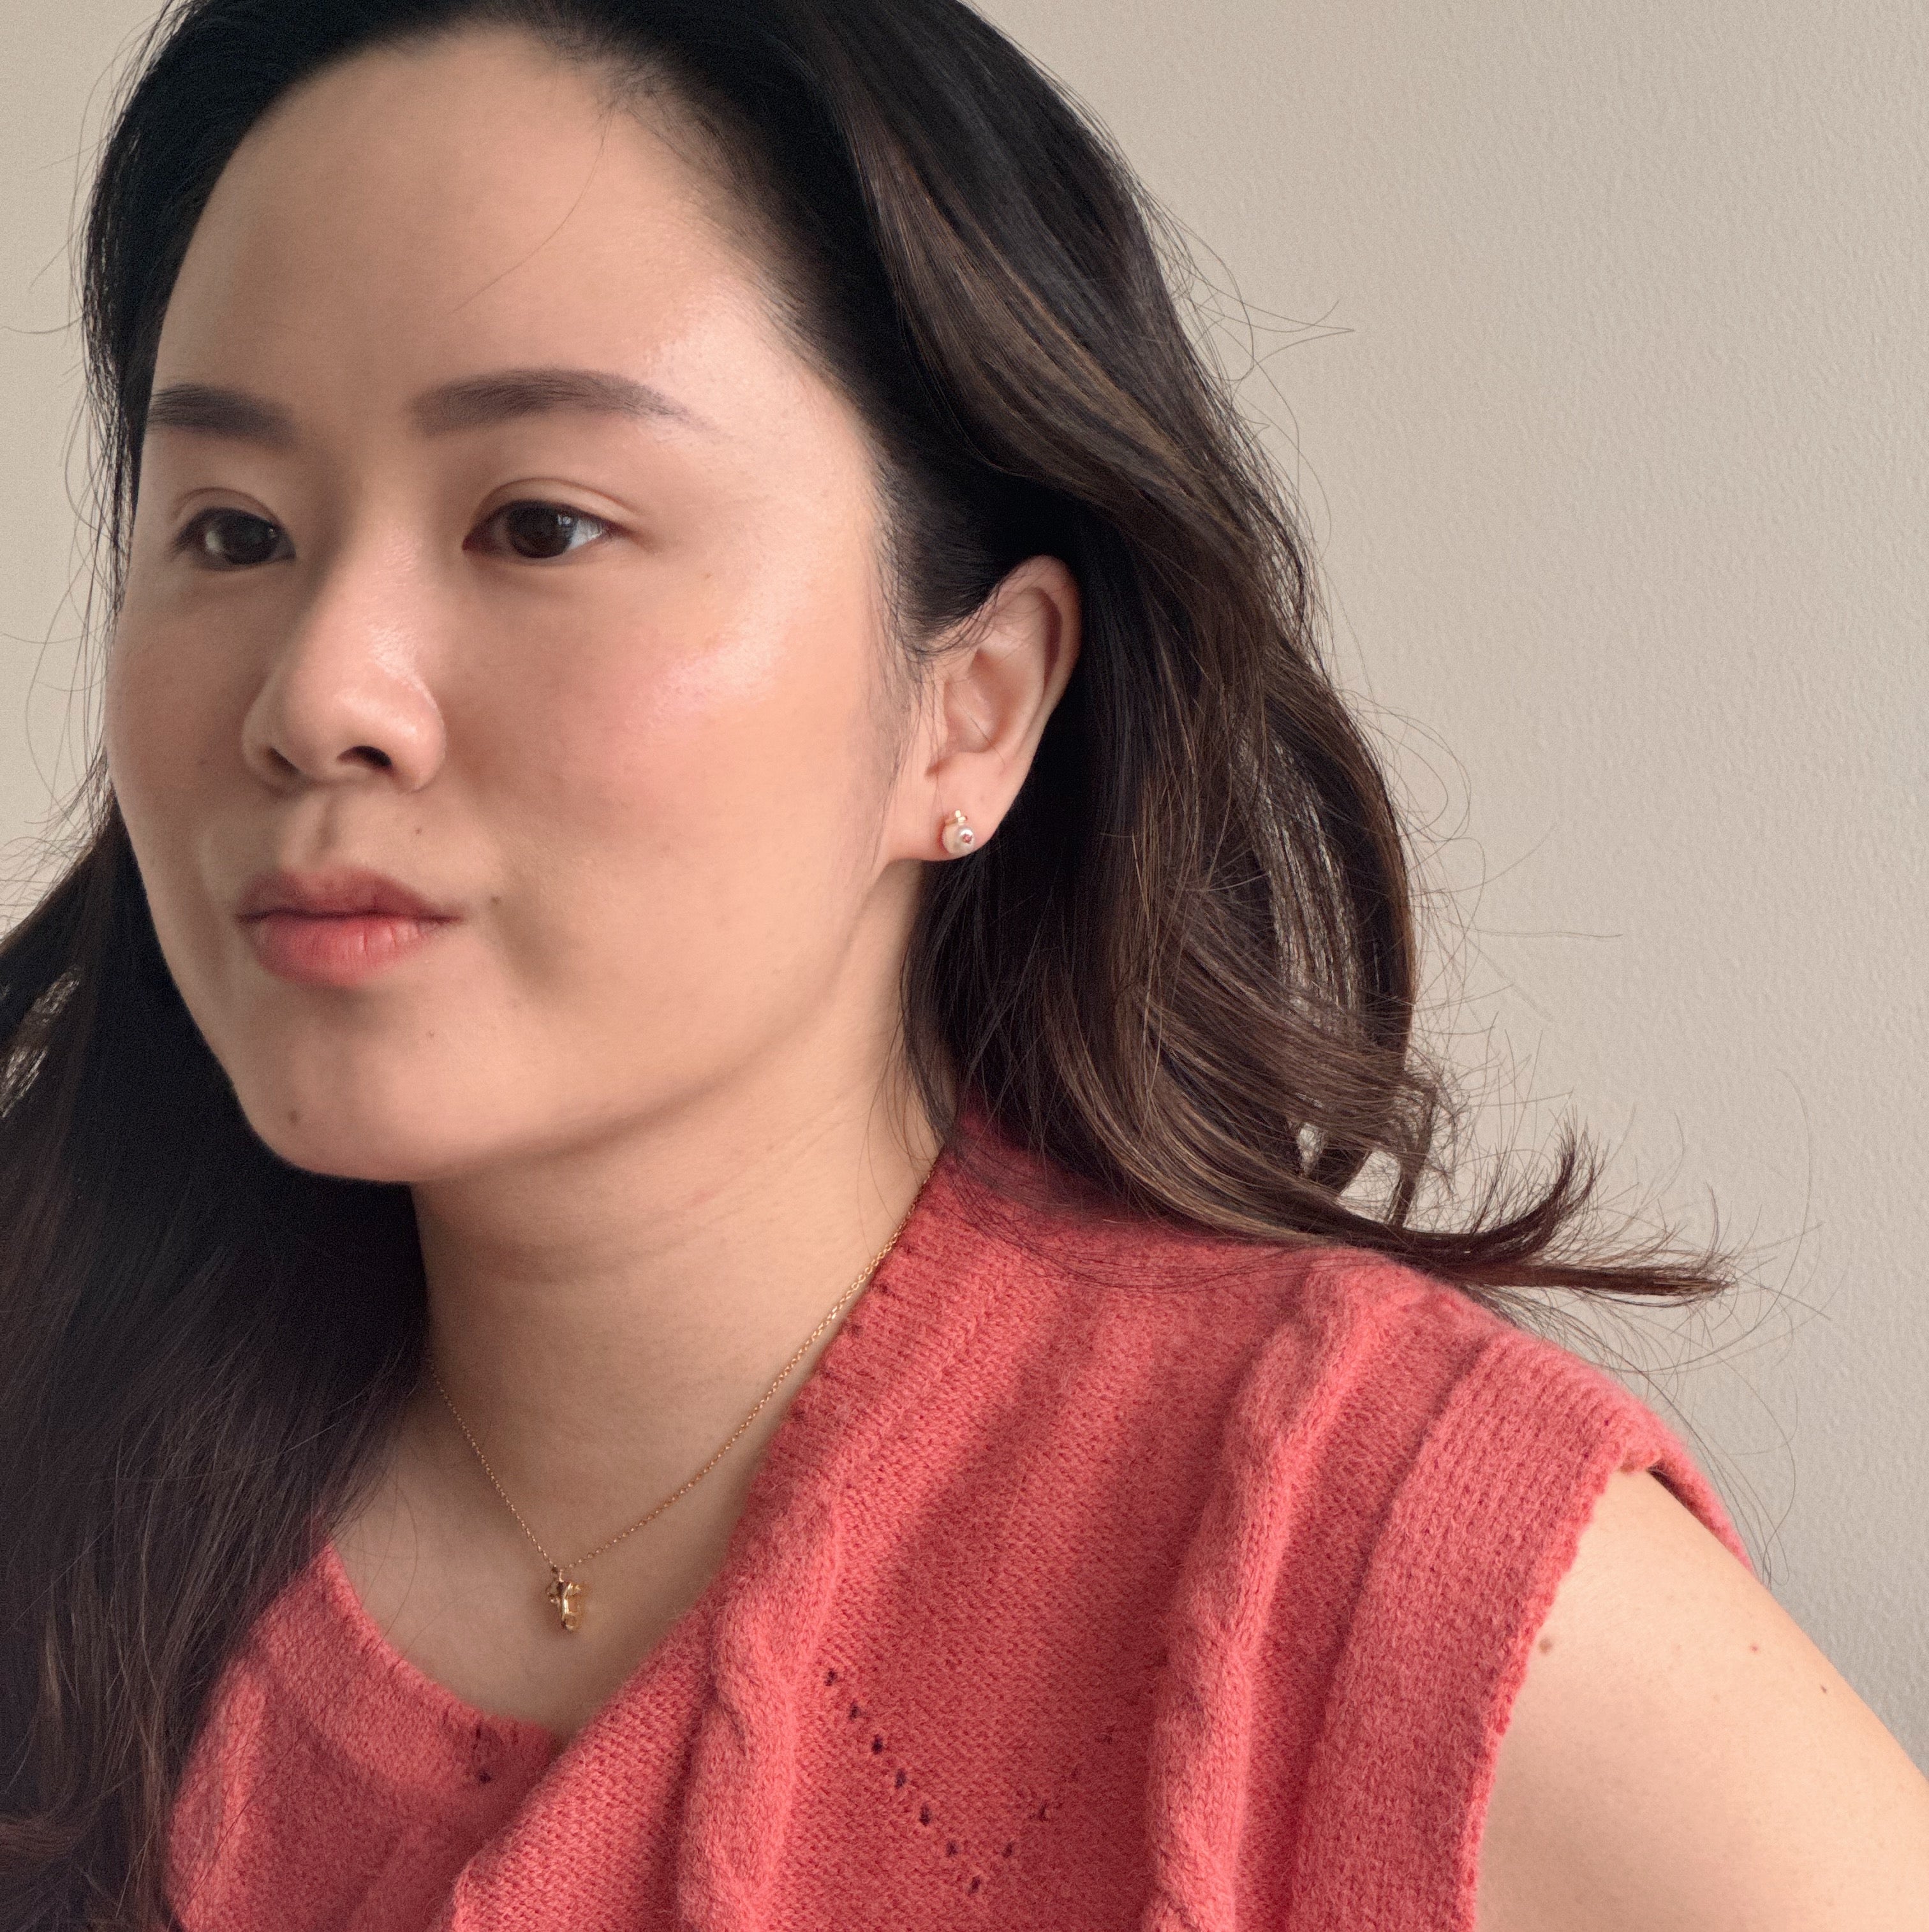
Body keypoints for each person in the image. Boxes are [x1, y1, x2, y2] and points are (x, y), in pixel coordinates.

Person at [1, 0, 1923, 1926]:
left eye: (541, 524)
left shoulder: (1397, 1584)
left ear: (972, 708)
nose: (317, 696)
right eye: (231, 532)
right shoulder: (52, 1447)